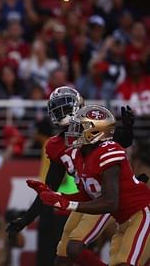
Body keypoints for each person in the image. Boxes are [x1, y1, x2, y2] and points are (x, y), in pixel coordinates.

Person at [6, 86, 134, 266]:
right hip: (88, 197)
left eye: (65, 108)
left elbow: (121, 141)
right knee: (62, 256)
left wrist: (127, 131)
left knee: (74, 248)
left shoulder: (93, 128)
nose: (61, 113)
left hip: (105, 197)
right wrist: (25, 220)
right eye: (58, 109)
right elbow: (49, 189)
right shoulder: (56, 145)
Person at [36, 105, 150, 266]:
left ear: (95, 132)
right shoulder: (85, 156)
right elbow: (88, 195)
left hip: (142, 215)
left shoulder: (108, 152)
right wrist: (59, 198)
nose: (73, 131)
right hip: (123, 221)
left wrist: (70, 204)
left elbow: (110, 202)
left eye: (79, 127)